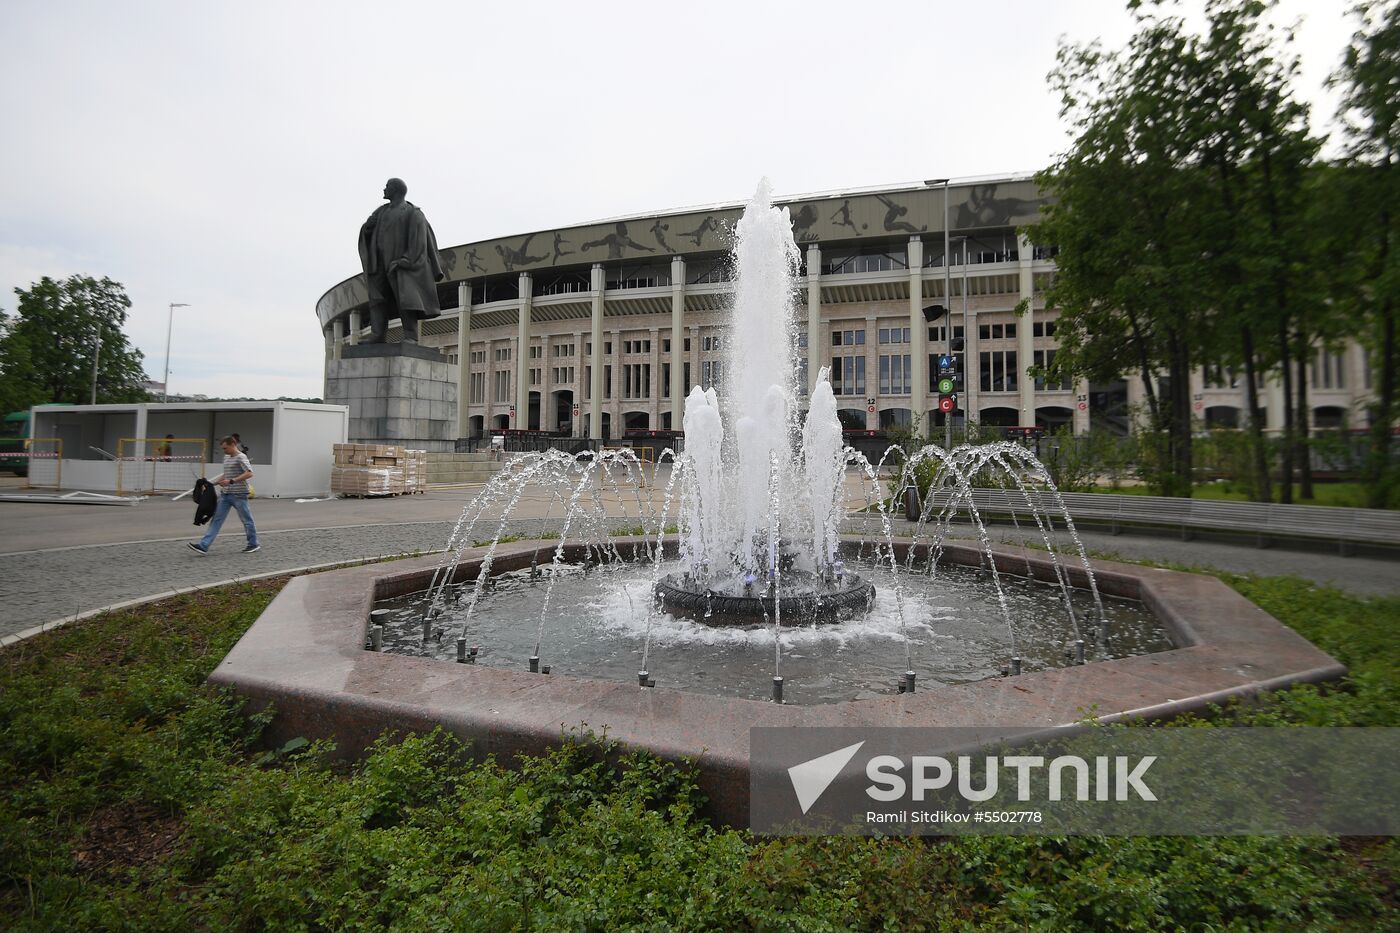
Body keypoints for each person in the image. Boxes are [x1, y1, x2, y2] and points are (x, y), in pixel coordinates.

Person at [357, 177, 444, 344]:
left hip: (401, 265)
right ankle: (378, 334)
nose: (384, 189)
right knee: (377, 299)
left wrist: (406, 260)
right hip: (380, 264)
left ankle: (410, 336)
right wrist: (367, 227)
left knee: (405, 299)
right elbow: (368, 231)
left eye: (387, 186)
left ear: (396, 190)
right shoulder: (381, 211)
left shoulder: (413, 213)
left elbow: (418, 241)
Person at [187, 436, 260, 555]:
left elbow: (249, 473)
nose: (224, 451)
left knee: (247, 520)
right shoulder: (226, 457)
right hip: (225, 494)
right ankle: (204, 545)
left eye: (225, 448)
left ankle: (253, 544)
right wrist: (212, 484)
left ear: (232, 445)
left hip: (239, 494)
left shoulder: (241, 457)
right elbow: (226, 474)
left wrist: (232, 481)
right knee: (216, 520)